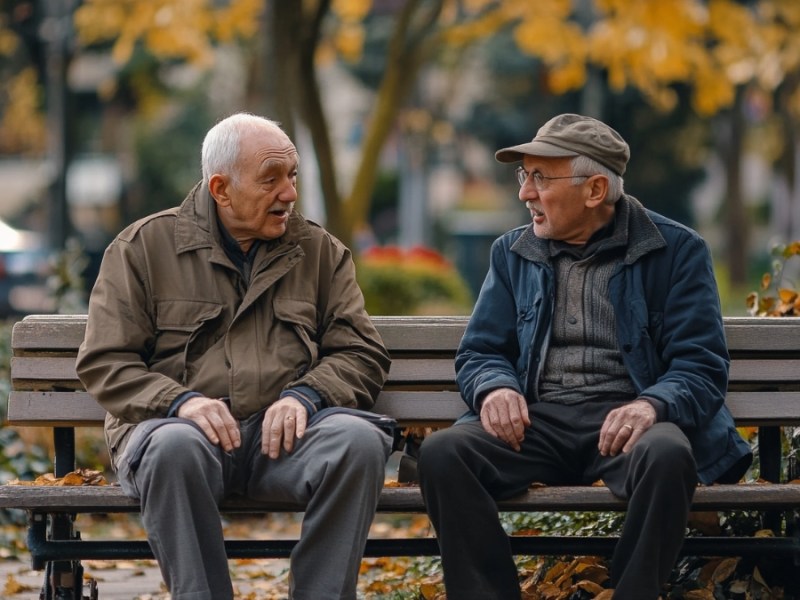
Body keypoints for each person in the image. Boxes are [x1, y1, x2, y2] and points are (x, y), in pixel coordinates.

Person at [416, 113, 752, 599]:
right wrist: (496, 386)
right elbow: (481, 351)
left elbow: (701, 366)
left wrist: (651, 405)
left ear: (595, 190)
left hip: (628, 418)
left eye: (539, 178)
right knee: (444, 454)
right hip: (537, 423)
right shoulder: (512, 253)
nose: (524, 193)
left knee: (668, 454)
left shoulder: (677, 251)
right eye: (523, 175)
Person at [76, 112, 394, 600]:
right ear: (221, 188)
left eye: (292, 176)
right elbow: (105, 361)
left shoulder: (320, 252)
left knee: (358, 441)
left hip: (285, 441)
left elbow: (360, 351)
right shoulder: (142, 248)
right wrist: (180, 403)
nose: (289, 193)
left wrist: (308, 395)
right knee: (172, 447)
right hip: (182, 438)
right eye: (271, 180)